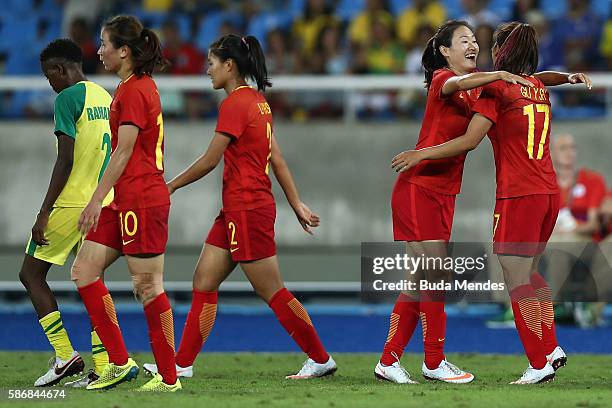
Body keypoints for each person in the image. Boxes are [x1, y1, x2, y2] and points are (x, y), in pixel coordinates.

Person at [391, 22, 592, 384]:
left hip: (518, 193)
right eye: (465, 41)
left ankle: (536, 361)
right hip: (547, 193)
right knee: (524, 273)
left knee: (511, 279)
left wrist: (420, 154)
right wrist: (567, 77)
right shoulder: (534, 87)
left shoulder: (496, 88)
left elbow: (469, 141)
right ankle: (548, 347)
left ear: (501, 51)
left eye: (484, 43)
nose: (477, 47)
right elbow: (538, 77)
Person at [142, 34, 336, 380]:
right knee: (203, 281)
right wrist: (296, 204)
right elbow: (276, 158)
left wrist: (170, 185)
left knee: (272, 291)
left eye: (211, 64)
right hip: (236, 209)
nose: (207, 71)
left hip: (247, 208)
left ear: (229, 66)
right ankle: (181, 364)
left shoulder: (234, 104)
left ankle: (320, 357)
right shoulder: (259, 103)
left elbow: (210, 160)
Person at [376, 20, 536, 385]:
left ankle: (389, 360)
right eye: (463, 40)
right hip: (418, 188)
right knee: (437, 271)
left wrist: (562, 77)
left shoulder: (480, 87)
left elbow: (519, 79)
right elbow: (460, 83)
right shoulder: (442, 79)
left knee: (419, 279)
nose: (472, 45)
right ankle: (434, 361)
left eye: (474, 41)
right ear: (445, 51)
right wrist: (419, 156)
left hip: (445, 194)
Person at [71, 15, 180, 392]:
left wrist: (95, 199)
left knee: (148, 286)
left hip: (142, 200)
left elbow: (124, 150)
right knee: (84, 271)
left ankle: (169, 379)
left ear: (124, 51)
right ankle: (119, 363)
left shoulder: (134, 91)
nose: (98, 51)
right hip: (126, 200)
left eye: (104, 44)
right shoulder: (131, 87)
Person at [20, 38, 112, 387]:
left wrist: (44, 212)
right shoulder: (106, 97)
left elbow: (66, 159)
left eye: (49, 76)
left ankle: (64, 355)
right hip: (101, 202)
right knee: (92, 283)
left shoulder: (67, 98)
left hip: (72, 202)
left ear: (59, 70)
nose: (50, 83)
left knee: (31, 274)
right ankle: (105, 365)